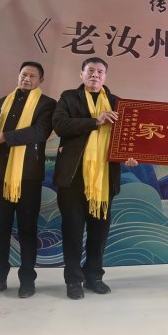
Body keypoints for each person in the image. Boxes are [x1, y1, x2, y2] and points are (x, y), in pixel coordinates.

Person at [53, 58, 136, 300]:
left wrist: (131, 155)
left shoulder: (118, 103)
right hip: (73, 175)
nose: (95, 75)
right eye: (90, 70)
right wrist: (95, 121)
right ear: (81, 74)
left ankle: (94, 276)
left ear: (105, 77)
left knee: (99, 230)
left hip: (104, 176)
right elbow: (59, 125)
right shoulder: (69, 98)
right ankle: (73, 279)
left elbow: (129, 135)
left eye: (100, 71)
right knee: (73, 229)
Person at [0, 62, 56, 300]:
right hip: (2, 175)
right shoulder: (3, 101)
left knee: (27, 230)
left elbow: (40, 132)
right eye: (24, 74)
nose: (27, 79)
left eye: (33, 76)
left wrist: (5, 137)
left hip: (28, 177)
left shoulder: (47, 104)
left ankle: (27, 280)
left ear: (40, 81)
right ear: (18, 76)